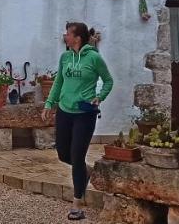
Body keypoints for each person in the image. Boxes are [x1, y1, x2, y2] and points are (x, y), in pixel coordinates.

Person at [42, 22, 113, 220]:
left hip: (85, 113)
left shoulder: (94, 58)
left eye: (68, 33)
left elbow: (108, 80)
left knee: (77, 156)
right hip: (65, 110)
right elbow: (58, 82)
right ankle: (86, 171)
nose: (65, 36)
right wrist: (49, 104)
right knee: (63, 154)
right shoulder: (65, 57)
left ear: (77, 38)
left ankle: (77, 205)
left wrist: (100, 96)